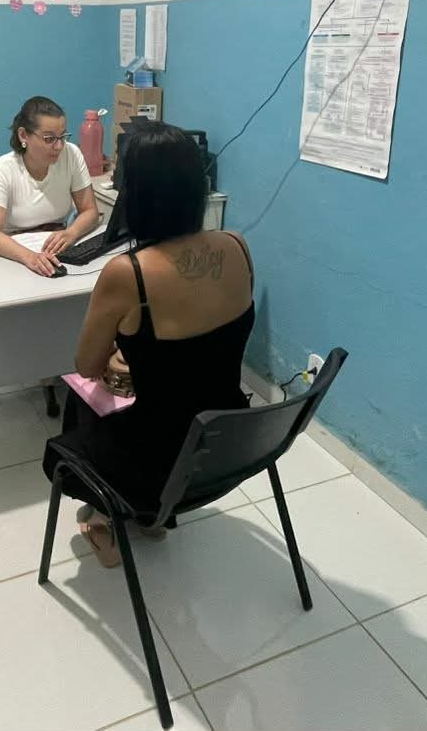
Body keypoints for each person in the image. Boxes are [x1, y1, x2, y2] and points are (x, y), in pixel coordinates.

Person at [42, 125, 255, 567]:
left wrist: (126, 353)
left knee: (81, 399)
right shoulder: (237, 246)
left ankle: (105, 517)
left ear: (134, 197)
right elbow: (203, 341)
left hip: (152, 460)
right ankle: (153, 520)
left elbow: (87, 364)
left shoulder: (128, 273)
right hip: (226, 445)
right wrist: (143, 352)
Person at [0, 96, 101, 277]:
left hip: (57, 250)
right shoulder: (2, 169)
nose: (59, 146)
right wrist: (30, 257)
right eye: (49, 138)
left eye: (62, 136)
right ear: (23, 135)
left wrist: (71, 233)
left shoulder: (71, 154)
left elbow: (90, 211)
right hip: (14, 255)